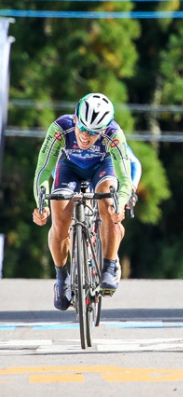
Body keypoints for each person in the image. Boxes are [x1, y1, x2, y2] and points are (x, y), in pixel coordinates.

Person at [32, 93, 134, 310]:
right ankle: (61, 277)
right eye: (84, 129)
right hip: (69, 168)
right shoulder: (61, 128)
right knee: (60, 222)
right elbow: (43, 170)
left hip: (102, 167)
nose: (87, 136)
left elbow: (125, 178)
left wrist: (120, 203)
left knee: (108, 202)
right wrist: (40, 205)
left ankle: (108, 267)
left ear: (104, 130)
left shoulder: (114, 135)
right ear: (76, 119)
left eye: (95, 132)